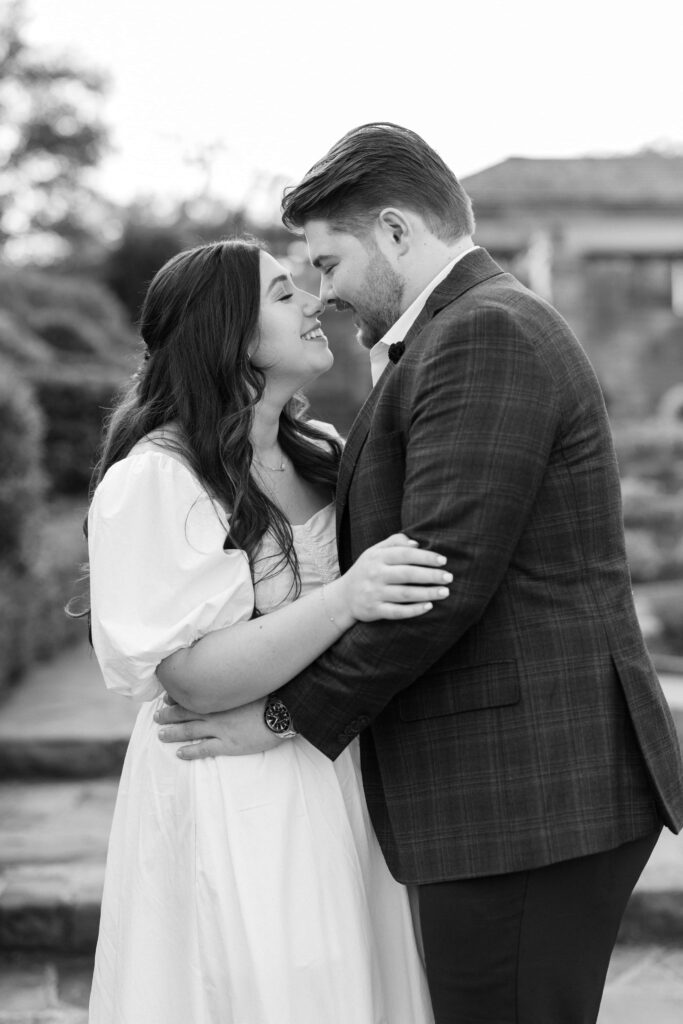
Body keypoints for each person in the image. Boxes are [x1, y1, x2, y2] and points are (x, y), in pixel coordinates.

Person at [157, 125, 683, 1024]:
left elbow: (438, 581)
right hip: (513, 793)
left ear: (396, 233)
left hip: (526, 795)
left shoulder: (484, 334)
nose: (321, 293)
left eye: (326, 263)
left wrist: (284, 716)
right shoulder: (448, 333)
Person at [86, 237, 442, 1023]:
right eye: (284, 294)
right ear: (229, 335)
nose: (315, 301)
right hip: (232, 787)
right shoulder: (158, 478)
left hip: (329, 759)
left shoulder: (324, 454)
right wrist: (345, 598)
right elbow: (194, 678)